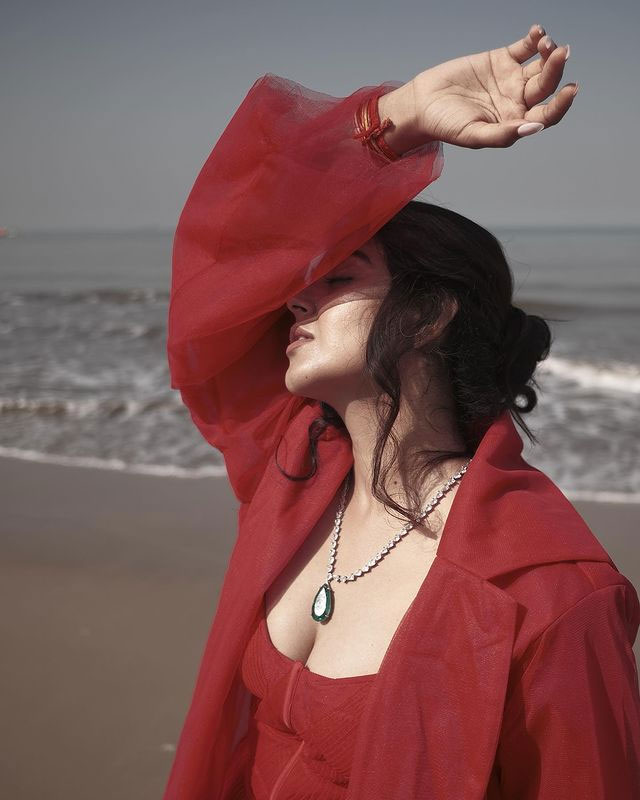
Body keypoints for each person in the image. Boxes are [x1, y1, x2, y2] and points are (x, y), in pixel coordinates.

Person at [164, 23, 640, 800]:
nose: (295, 301)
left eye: (338, 278)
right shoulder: (296, 468)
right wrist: (397, 119)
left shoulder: (550, 593)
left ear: (428, 315)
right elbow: (226, 255)